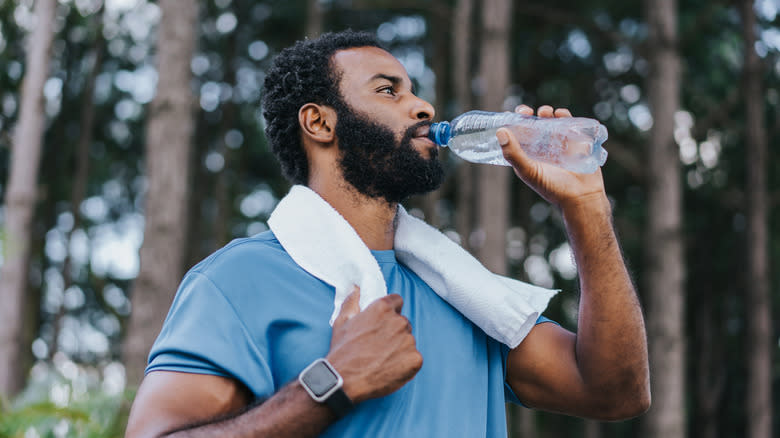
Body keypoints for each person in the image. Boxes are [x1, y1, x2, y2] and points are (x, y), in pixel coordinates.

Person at [125, 30, 650, 437]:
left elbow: (616, 394)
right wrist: (330, 384)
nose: (422, 107)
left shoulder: (465, 294)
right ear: (319, 123)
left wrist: (586, 209)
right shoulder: (237, 281)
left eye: (416, 91)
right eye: (387, 90)